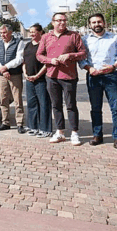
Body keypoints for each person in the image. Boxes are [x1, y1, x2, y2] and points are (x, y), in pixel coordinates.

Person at [36, 12, 87, 146]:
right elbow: (39, 55)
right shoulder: (46, 37)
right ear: (53, 22)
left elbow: (83, 53)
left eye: (64, 20)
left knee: (71, 105)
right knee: (56, 105)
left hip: (69, 77)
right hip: (52, 76)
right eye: (59, 20)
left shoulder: (74, 35)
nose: (62, 23)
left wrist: (70, 55)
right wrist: (49, 60)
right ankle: (60, 132)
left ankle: (74, 133)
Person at [79, 13, 117, 149]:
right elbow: (82, 59)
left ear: (104, 23)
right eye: (93, 22)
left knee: (116, 107)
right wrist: (89, 68)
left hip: (111, 76)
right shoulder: (85, 39)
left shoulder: (115, 38)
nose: (96, 24)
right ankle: (97, 135)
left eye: (99, 22)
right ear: (89, 25)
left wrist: (113, 66)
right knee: (95, 108)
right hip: (93, 76)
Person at [0, 24, 26, 132]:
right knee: (3, 99)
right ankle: (5, 122)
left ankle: (20, 123)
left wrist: (6, 67)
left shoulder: (19, 43)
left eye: (4, 32)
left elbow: (19, 59)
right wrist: (2, 69)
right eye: (1, 33)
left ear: (10, 32)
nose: (2, 35)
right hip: (2, 75)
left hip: (15, 74)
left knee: (17, 99)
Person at [23, 24, 52, 138]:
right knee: (31, 103)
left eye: (34, 31)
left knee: (44, 103)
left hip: (41, 79)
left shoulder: (44, 45)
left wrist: (37, 75)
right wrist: (25, 74)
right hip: (29, 79)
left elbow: (47, 64)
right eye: (30, 32)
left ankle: (45, 129)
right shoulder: (28, 45)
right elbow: (24, 62)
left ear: (40, 32)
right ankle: (33, 127)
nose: (31, 34)